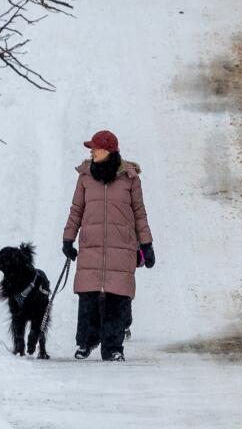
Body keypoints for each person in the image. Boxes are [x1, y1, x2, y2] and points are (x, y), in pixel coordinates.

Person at [62, 129, 154, 361]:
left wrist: (147, 244)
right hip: (91, 245)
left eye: (95, 148)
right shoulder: (84, 176)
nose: (91, 151)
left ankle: (113, 348)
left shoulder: (130, 179)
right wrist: (68, 239)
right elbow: (76, 210)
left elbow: (139, 213)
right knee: (88, 296)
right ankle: (86, 342)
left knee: (116, 298)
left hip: (121, 246)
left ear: (109, 151)